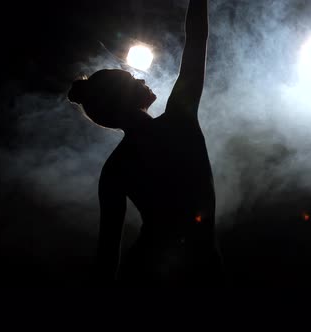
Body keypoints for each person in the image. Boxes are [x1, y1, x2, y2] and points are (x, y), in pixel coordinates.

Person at [68, 0, 222, 286]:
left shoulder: (115, 168)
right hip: (184, 271)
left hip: (150, 271)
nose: (140, 78)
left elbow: (106, 255)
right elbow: (196, 39)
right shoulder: (179, 118)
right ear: (122, 99)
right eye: (130, 79)